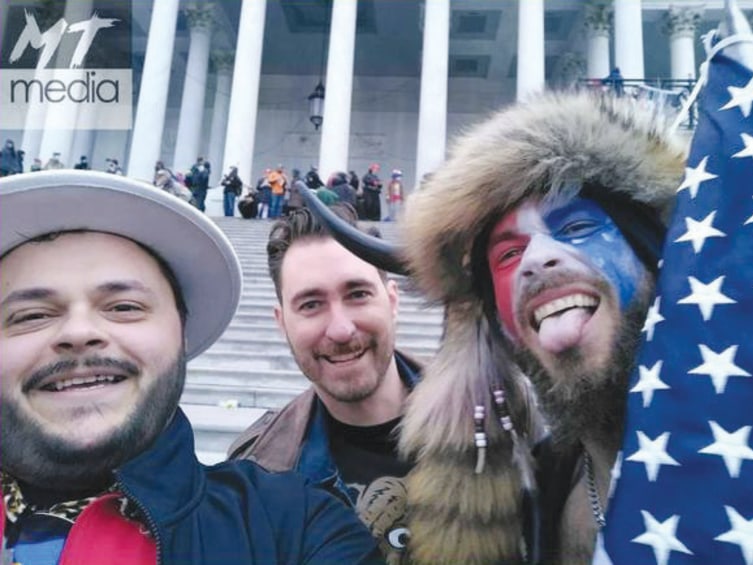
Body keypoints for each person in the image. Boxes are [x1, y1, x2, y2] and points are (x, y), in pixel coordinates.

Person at [299, 91, 686, 564]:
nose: (537, 259)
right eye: (507, 254)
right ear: (498, 322)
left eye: (577, 228)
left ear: (656, 257)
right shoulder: (549, 487)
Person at [0, 170, 384, 565]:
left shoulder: (297, 528)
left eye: (124, 307)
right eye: (31, 315)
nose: (79, 332)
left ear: (182, 335)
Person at [229, 205, 423, 564]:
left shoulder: (505, 426)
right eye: (311, 304)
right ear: (282, 322)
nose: (340, 329)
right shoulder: (254, 473)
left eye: (358, 294)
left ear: (392, 301)